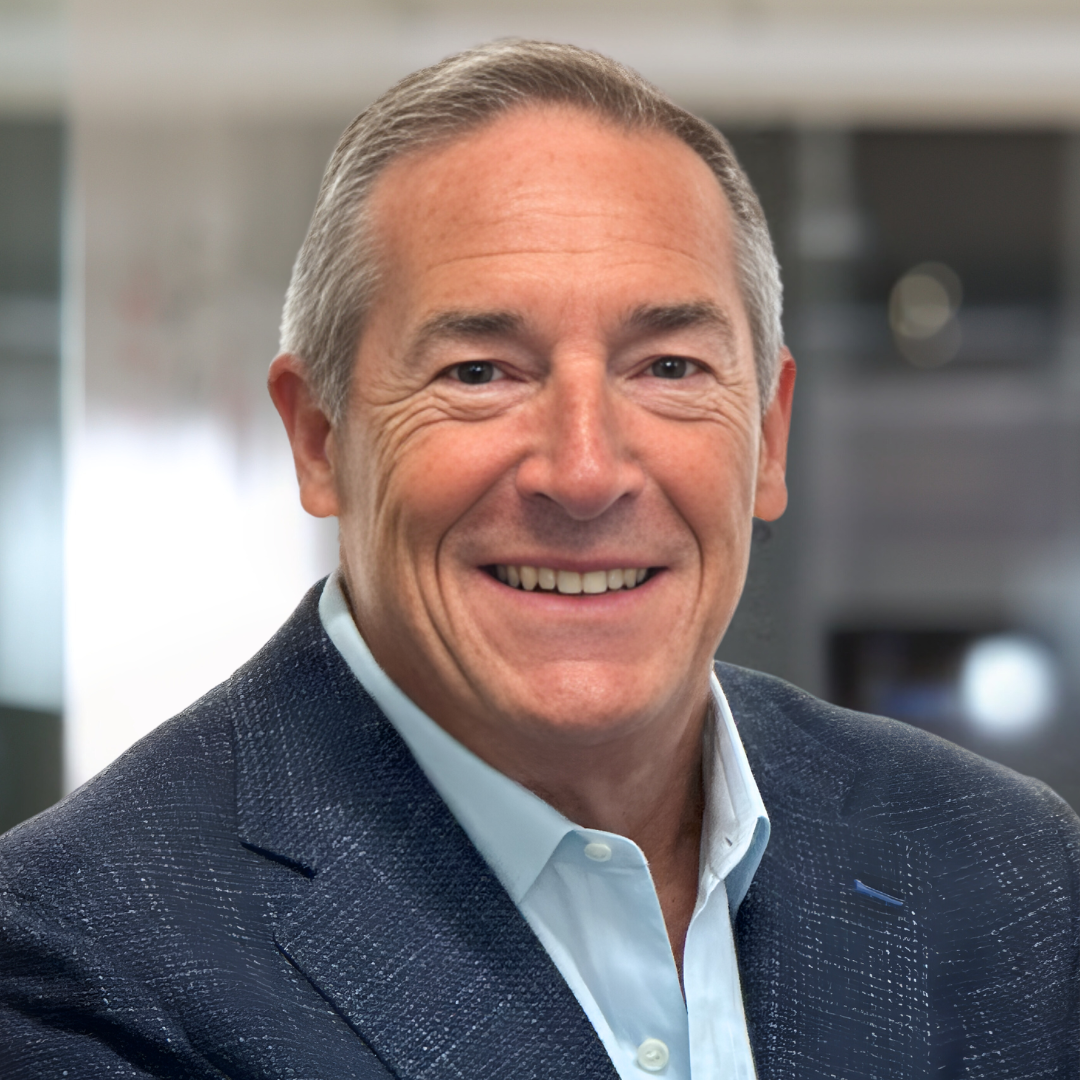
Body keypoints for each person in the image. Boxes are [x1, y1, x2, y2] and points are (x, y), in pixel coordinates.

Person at [1, 40, 1077, 1080]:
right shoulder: (85, 955)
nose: (585, 470)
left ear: (769, 435)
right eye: (479, 372)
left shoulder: (1010, 869)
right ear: (320, 439)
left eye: (668, 367)